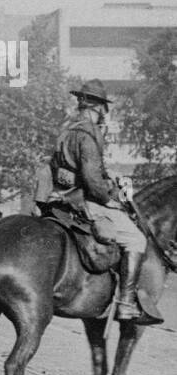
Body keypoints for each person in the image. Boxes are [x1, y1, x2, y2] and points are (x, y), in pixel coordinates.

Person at [45, 79, 160, 324]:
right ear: (97, 107)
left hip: (61, 197)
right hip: (84, 200)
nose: (103, 117)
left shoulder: (67, 129)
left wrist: (110, 178)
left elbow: (67, 169)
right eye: (103, 111)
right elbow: (91, 179)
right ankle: (126, 303)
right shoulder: (88, 133)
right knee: (136, 239)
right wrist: (111, 198)